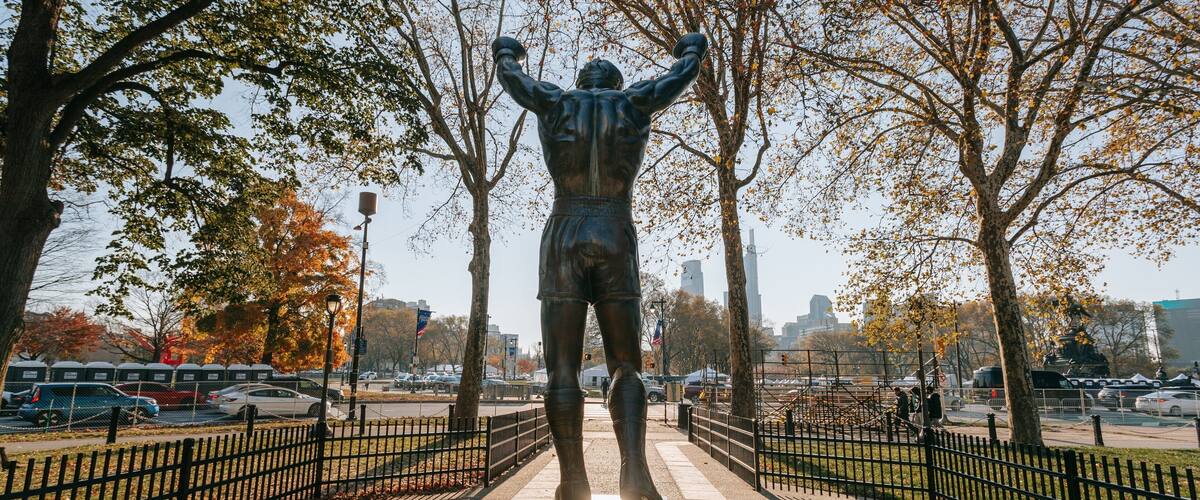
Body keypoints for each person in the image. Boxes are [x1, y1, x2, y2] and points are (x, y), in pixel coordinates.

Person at [493, 31, 707, 500]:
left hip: (565, 229)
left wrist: (508, 51)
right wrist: (691, 48)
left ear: (582, 81)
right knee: (627, 367)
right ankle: (635, 474)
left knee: (562, 370)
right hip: (614, 230)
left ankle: (573, 480)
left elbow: (511, 77)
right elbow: (682, 74)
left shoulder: (555, 101)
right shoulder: (633, 103)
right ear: (616, 83)